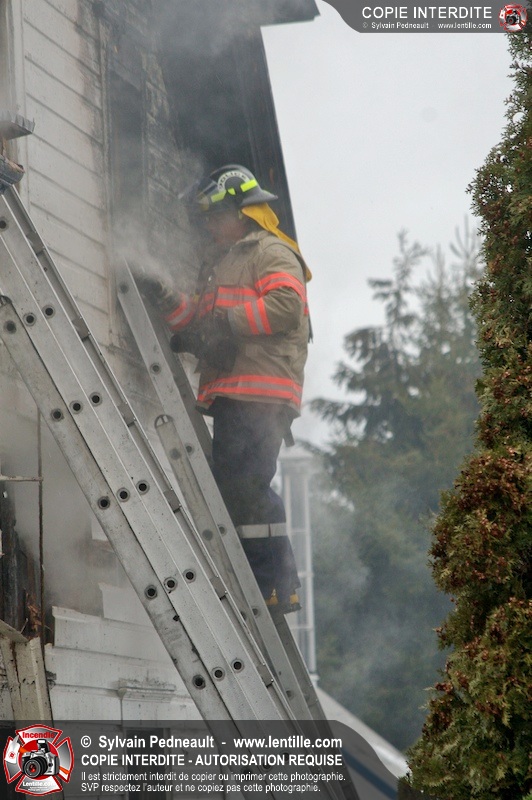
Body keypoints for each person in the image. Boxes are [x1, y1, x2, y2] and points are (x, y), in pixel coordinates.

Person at [138, 165, 311, 613]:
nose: (209, 225)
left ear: (241, 211)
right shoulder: (222, 261)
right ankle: (263, 582)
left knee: (246, 485)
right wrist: (165, 296)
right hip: (235, 390)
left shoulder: (270, 250)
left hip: (261, 389)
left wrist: (225, 323)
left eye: (215, 216)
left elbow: (286, 305)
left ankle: (275, 586)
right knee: (235, 486)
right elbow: (200, 323)